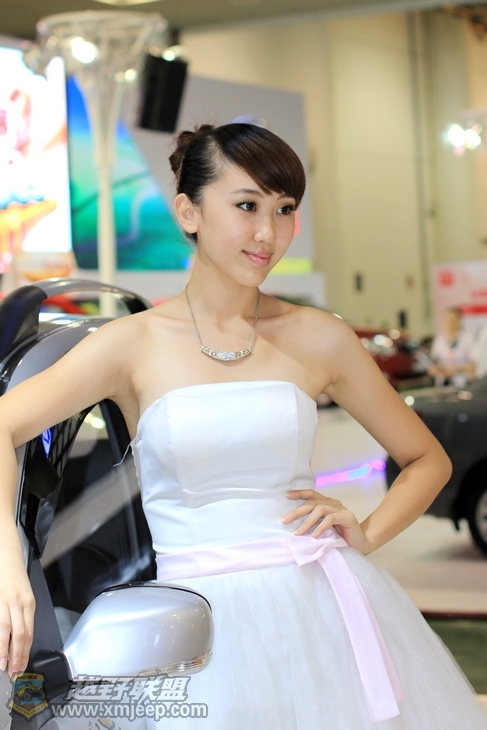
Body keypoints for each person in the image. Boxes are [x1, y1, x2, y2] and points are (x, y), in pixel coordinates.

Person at [0, 122, 486, 729]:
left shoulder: (320, 337)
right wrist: (8, 560)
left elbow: (427, 460)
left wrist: (365, 534)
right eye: (247, 206)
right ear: (189, 211)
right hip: (194, 630)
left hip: (323, 617)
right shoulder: (132, 344)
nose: (268, 233)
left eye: (285, 209)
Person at [428, 306, 475, 387]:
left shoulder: (468, 339)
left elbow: (474, 364)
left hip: (464, 383)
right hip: (444, 384)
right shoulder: (439, 341)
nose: (450, 323)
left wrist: (456, 370)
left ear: (459, 321)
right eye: (448, 320)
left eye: (453, 320)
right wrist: (438, 369)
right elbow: (433, 363)